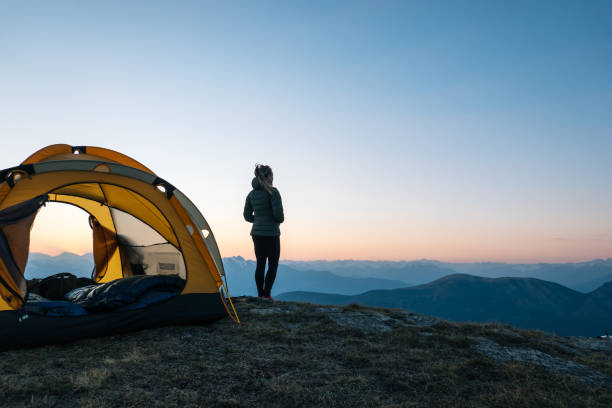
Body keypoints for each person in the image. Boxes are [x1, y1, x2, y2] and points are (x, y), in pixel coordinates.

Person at [243, 164, 284, 300]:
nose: (273, 178)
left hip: (257, 234)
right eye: (272, 175)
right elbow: (279, 216)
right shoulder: (273, 192)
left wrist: (259, 219)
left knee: (260, 264)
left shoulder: (251, 194)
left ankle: (260, 294)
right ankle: (267, 294)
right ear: (268, 177)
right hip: (271, 234)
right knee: (273, 264)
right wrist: (272, 221)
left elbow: (247, 216)